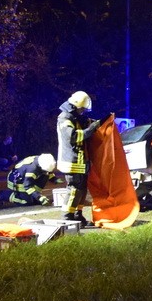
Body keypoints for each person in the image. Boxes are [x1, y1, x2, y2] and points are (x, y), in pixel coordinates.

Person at [56, 90, 105, 225]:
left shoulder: (75, 117)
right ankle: (67, 217)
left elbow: (84, 124)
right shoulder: (64, 117)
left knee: (81, 191)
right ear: (76, 105)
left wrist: (94, 123)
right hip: (72, 162)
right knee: (74, 190)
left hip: (80, 161)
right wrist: (91, 129)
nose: (83, 111)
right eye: (82, 108)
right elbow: (73, 137)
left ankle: (77, 216)